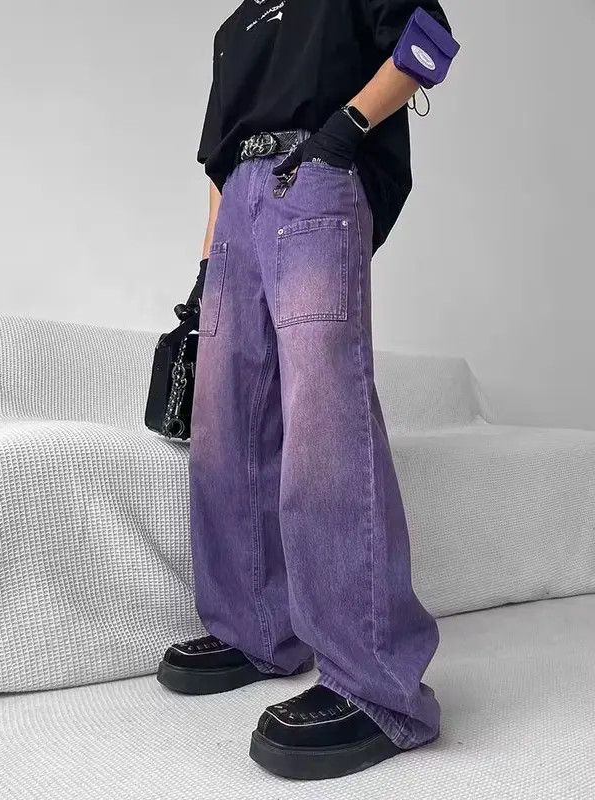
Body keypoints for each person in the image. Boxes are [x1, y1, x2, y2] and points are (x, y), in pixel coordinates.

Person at [158, 0, 458, 781]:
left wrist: (342, 135)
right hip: (238, 211)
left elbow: (429, 44)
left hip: (316, 175)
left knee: (324, 419)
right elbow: (220, 161)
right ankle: (256, 630)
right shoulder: (234, 28)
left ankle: (378, 687)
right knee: (226, 425)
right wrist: (205, 271)